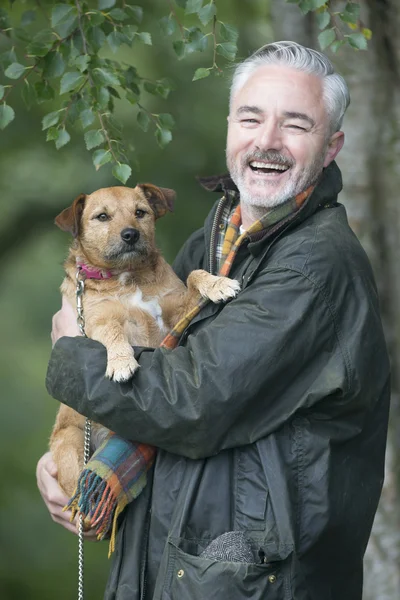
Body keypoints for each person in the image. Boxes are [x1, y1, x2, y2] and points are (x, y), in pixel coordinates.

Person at [37, 41, 391, 600]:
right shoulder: (223, 237)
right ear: (231, 129)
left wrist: (71, 353)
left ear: (331, 147)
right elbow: (151, 361)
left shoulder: (312, 267)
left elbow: (192, 399)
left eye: (295, 125)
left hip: (251, 581)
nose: (267, 141)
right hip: (185, 569)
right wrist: (66, 458)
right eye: (251, 118)